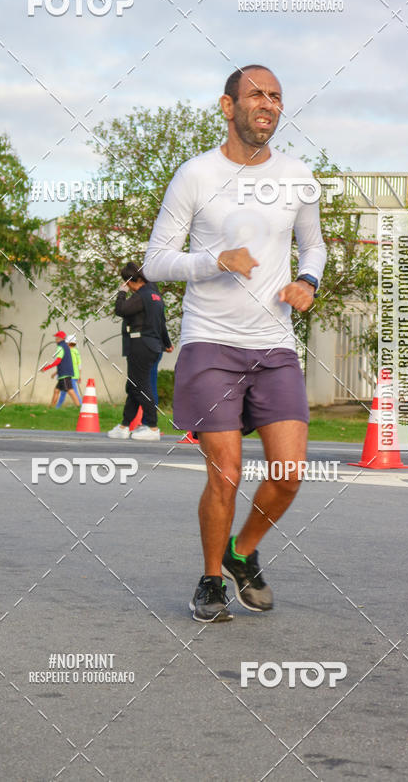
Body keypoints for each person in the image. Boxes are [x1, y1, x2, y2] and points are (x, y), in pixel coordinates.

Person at [144, 65, 327, 622]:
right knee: (225, 471)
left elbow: (313, 246)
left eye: (275, 95)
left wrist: (307, 282)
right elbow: (156, 260)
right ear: (228, 106)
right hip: (211, 345)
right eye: (255, 94)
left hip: (275, 346)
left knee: (290, 473)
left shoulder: (298, 175)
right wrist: (213, 260)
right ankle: (209, 581)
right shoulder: (195, 175)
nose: (267, 103)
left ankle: (240, 553)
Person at [108, 262, 173, 441]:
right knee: (134, 386)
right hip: (152, 345)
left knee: (141, 387)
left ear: (130, 281)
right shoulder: (156, 296)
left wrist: (121, 293)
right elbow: (161, 323)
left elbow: (120, 310)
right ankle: (123, 426)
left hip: (140, 344)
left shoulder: (141, 296)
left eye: (127, 283)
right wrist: (167, 343)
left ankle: (152, 427)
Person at [40, 330, 81, 408]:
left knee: (70, 391)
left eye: (56, 338)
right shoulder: (66, 346)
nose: (55, 339)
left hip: (64, 374)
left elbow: (58, 361)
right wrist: (56, 372)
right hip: (65, 373)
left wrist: (46, 368)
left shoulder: (60, 347)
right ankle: (51, 407)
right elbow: (64, 362)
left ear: (60, 338)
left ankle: (79, 407)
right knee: (56, 391)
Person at [56, 334, 82, 407]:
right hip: (75, 375)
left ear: (68, 343)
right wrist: (80, 375)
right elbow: (79, 364)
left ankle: (81, 407)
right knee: (63, 393)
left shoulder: (67, 351)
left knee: (74, 392)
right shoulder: (76, 351)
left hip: (69, 375)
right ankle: (57, 407)